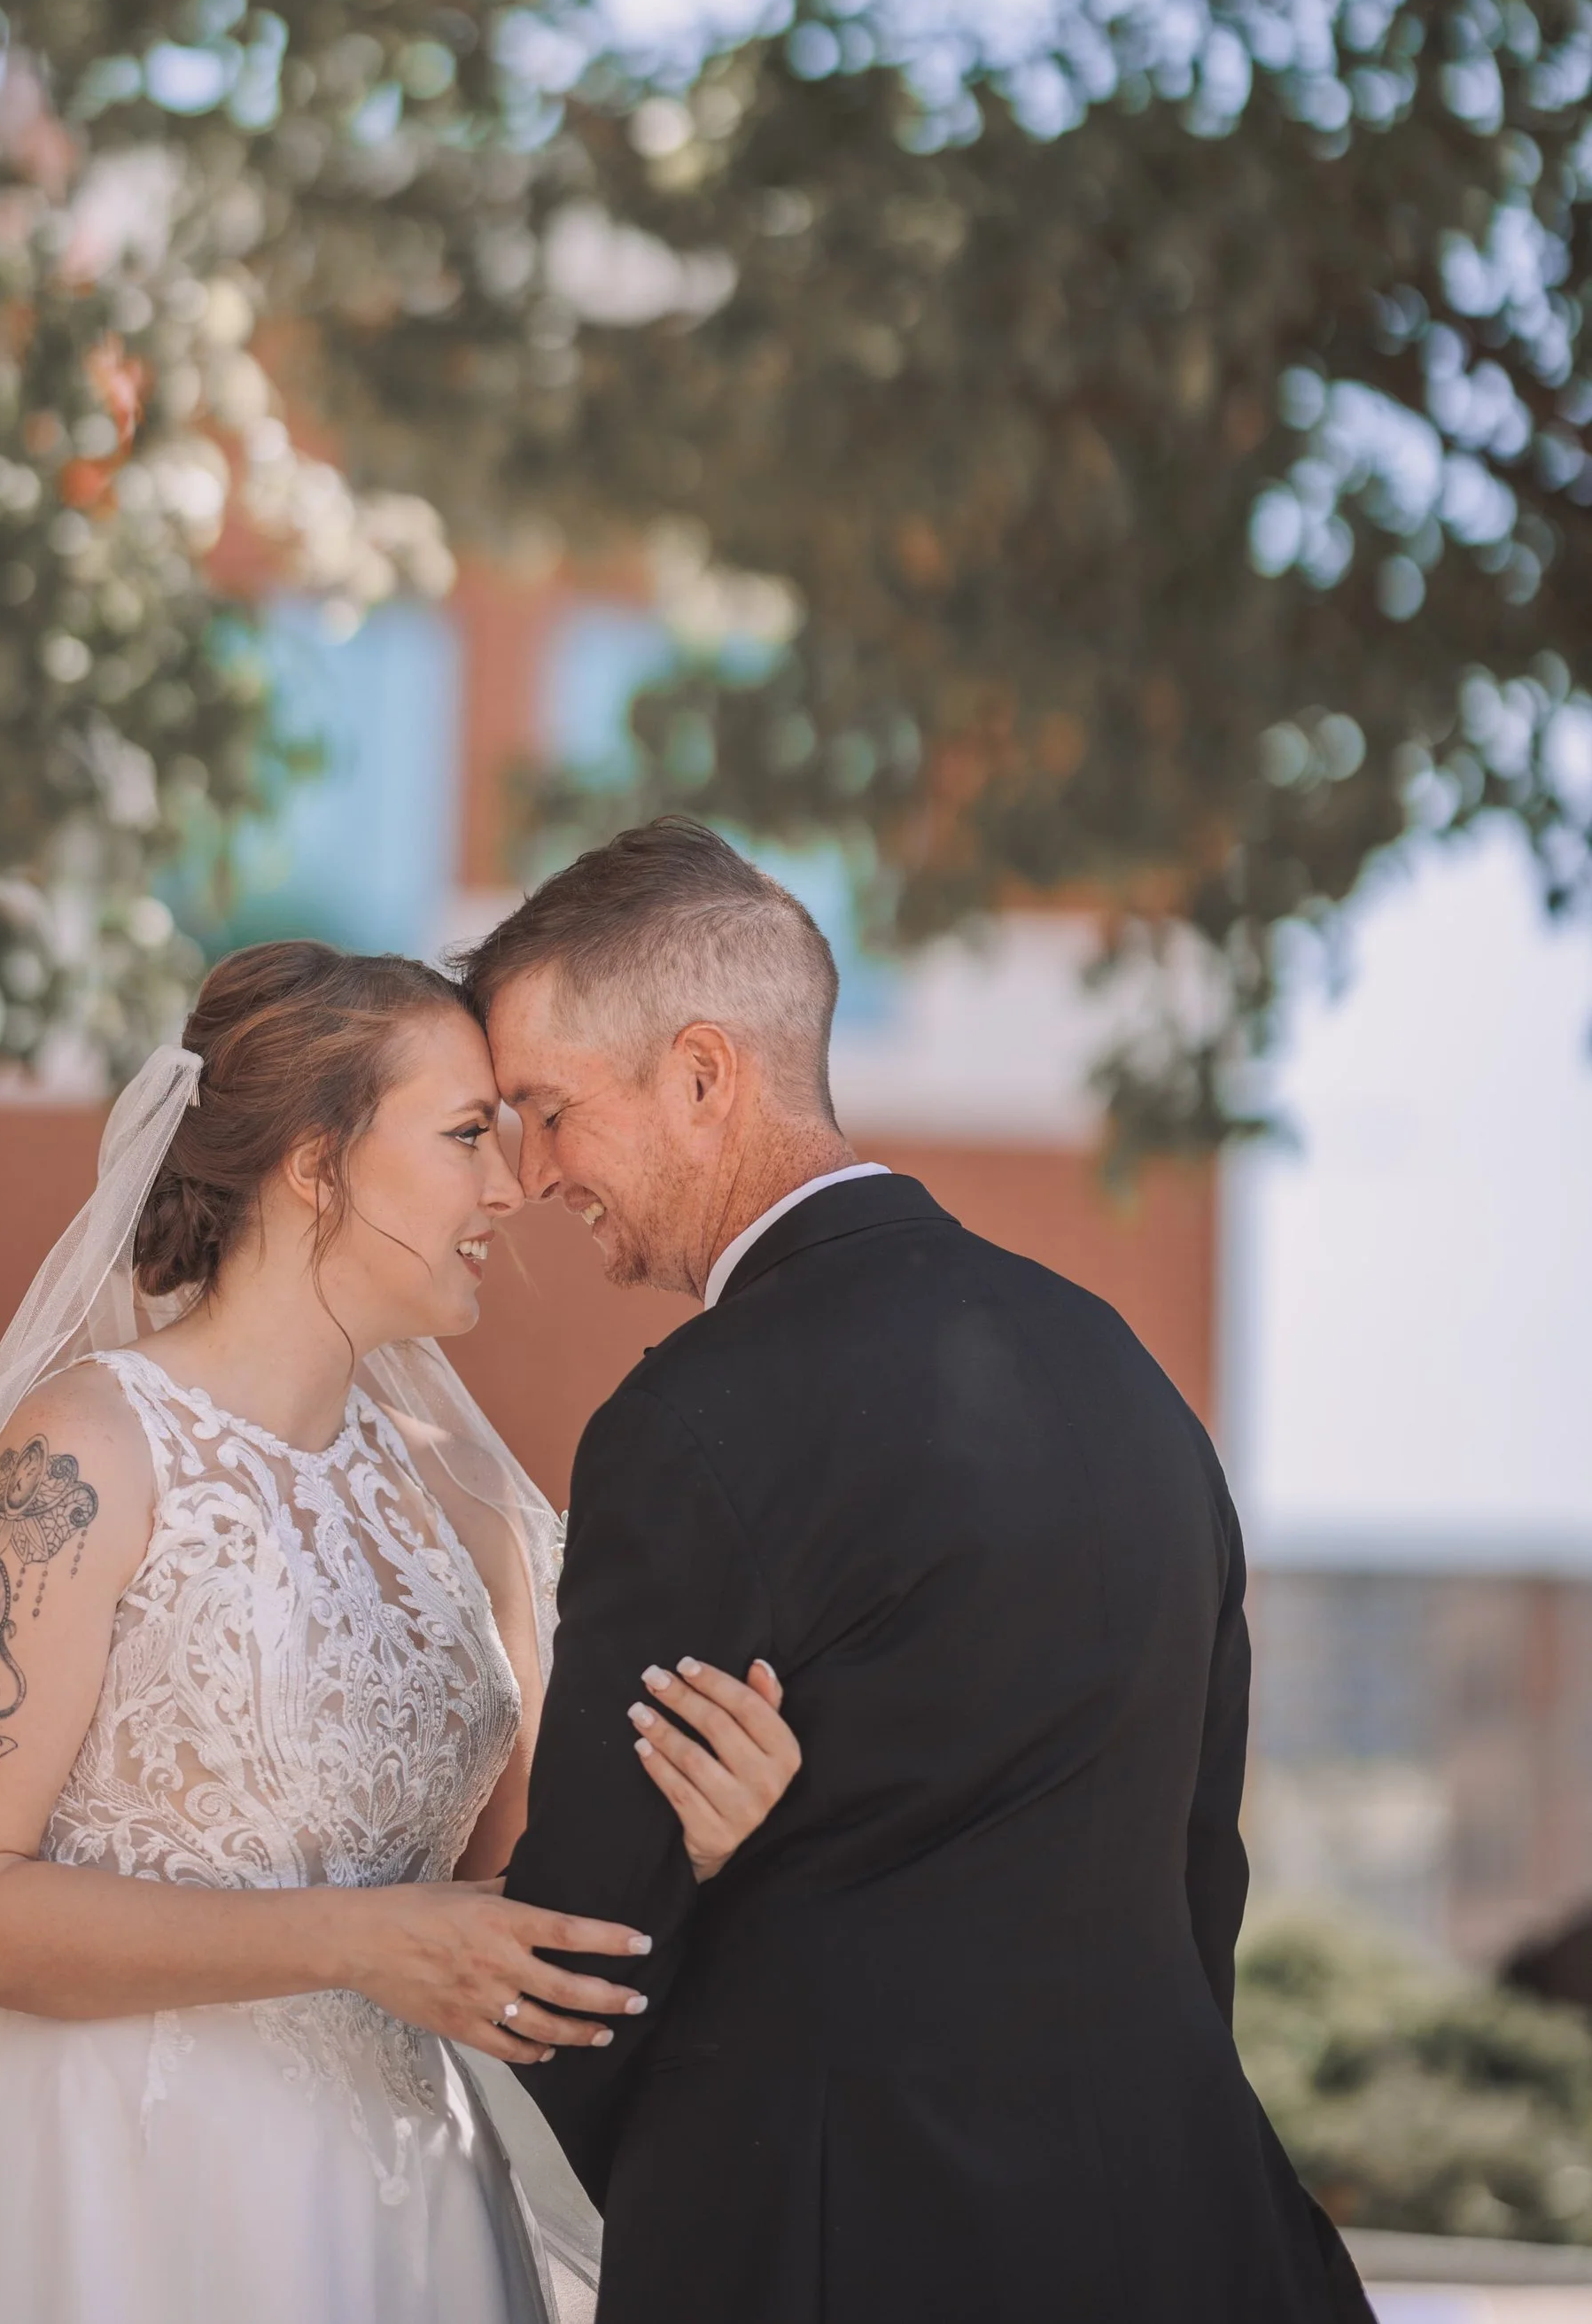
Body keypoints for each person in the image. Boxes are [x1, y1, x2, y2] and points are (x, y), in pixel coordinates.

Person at [468, 817, 1378, 2324]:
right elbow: (1195, 1872)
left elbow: (577, 1950)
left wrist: (708, 2170)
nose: (534, 1169)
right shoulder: (1127, 1378)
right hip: (1183, 2234)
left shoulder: (691, 1424)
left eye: (551, 1111)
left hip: (840, 2252)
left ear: (702, 1076)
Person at [0, 939, 799, 2324]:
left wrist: (723, 1837)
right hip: (123, 2185)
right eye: (465, 1137)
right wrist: (353, 1944)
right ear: (316, 1163)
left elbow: (532, 1902)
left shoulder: (472, 1508)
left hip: (405, 2200)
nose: (511, 1187)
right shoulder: (85, 1459)